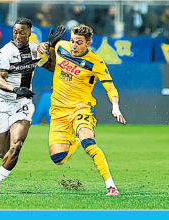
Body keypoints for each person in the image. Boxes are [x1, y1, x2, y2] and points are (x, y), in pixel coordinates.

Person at [37, 24, 126, 196]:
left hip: (81, 109)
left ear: (88, 43)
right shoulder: (61, 47)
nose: (74, 46)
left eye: (79, 42)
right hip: (58, 111)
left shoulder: (96, 63)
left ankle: (110, 186)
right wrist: (43, 46)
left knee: (88, 141)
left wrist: (115, 106)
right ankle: (76, 140)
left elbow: (111, 87)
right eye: (72, 41)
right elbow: (45, 59)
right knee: (58, 159)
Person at [0, 18, 53, 195]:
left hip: (22, 104)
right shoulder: (6, 51)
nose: (17, 35)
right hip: (2, 103)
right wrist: (16, 89)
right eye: (15, 31)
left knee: (16, 147)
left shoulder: (34, 49)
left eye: (21, 32)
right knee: (3, 153)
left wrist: (51, 48)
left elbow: (52, 67)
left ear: (29, 33)